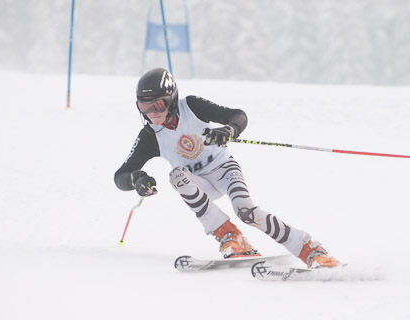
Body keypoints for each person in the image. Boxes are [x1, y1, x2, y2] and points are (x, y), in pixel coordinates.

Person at [114, 68, 339, 268]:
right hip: (198, 183)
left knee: (246, 212)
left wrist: (229, 130)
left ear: (171, 100)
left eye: (158, 105)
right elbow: (121, 175)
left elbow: (238, 116)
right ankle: (231, 237)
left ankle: (310, 250)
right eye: (144, 106)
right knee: (177, 176)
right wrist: (137, 179)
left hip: (224, 170)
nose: (152, 113)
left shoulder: (192, 106)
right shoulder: (150, 135)